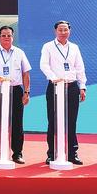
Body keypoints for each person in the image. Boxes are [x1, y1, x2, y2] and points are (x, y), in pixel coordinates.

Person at [40, 20, 86, 165]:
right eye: (60, 30)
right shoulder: (48, 46)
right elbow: (44, 65)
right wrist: (54, 78)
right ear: (55, 31)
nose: (63, 32)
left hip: (72, 87)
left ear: (69, 31)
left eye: (65, 29)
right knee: (53, 120)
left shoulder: (74, 47)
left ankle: (72, 153)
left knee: (72, 121)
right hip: (54, 87)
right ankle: (52, 153)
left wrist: (82, 86)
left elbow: (79, 67)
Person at [0, 26, 31, 164]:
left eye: (9, 35)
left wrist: (26, 92)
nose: (6, 38)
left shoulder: (19, 52)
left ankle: (17, 153)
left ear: (12, 37)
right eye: (3, 35)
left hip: (16, 90)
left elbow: (26, 73)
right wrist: (2, 79)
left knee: (17, 122)